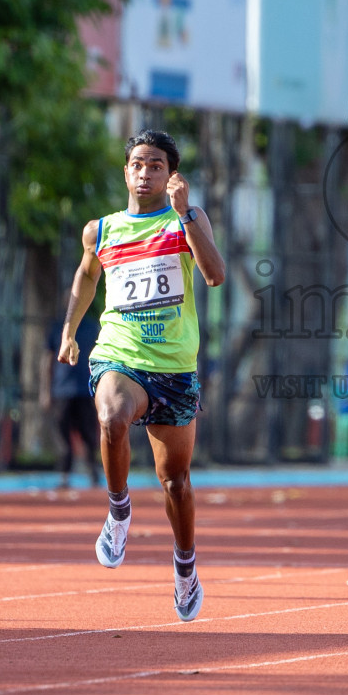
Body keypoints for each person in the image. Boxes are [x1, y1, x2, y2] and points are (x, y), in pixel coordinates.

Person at [57, 130, 225, 622]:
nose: (145, 172)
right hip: (120, 353)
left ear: (171, 175)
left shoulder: (186, 222)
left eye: (156, 165)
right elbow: (88, 275)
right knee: (110, 413)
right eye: (138, 164)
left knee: (175, 482)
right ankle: (118, 509)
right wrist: (70, 331)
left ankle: (185, 567)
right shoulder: (101, 230)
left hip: (173, 366)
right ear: (126, 171)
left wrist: (189, 214)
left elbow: (214, 275)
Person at [47, 311, 101, 489]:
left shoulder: (93, 326)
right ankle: (64, 474)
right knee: (62, 435)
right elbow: (47, 359)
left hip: (85, 389)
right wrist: (45, 390)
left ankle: (94, 474)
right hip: (62, 390)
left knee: (89, 434)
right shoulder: (56, 327)